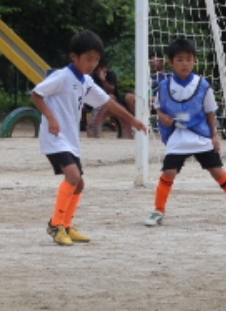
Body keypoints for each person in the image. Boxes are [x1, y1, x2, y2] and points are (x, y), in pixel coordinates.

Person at [32, 31, 148, 246]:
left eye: (96, 59)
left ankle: (67, 226)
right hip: (54, 138)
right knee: (73, 176)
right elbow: (37, 94)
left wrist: (133, 119)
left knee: (79, 184)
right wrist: (51, 117)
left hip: (70, 140)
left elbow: (107, 102)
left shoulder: (85, 81)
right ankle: (55, 225)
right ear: (74, 57)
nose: (93, 64)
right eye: (88, 59)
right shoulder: (61, 77)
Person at [145, 37, 226, 226]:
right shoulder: (164, 86)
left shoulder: (202, 85)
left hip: (200, 134)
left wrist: (214, 136)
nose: (184, 64)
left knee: (217, 171)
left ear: (195, 60)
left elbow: (210, 112)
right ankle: (158, 210)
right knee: (169, 171)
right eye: (180, 59)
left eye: (188, 59)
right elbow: (158, 107)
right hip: (178, 135)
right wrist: (162, 116)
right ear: (171, 62)